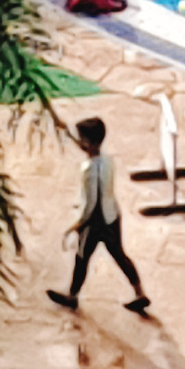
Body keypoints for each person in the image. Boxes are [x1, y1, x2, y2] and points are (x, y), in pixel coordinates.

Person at [48, 117, 150, 316]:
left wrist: (78, 224)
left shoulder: (88, 170)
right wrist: (66, 130)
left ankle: (72, 295)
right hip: (112, 216)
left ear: (89, 143)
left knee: (81, 258)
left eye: (82, 139)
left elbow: (91, 202)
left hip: (94, 222)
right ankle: (139, 292)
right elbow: (88, 150)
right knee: (119, 255)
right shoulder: (107, 161)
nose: (80, 143)